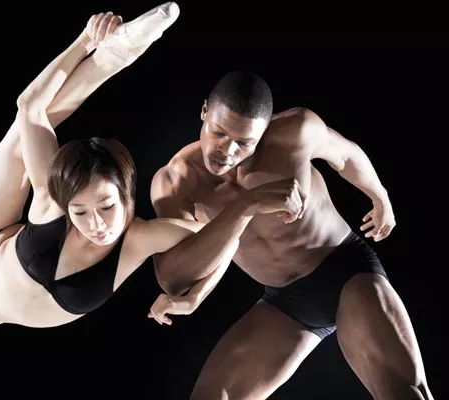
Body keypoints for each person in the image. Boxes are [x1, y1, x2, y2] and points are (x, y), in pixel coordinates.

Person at [0, 4, 273, 399]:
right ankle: (113, 53)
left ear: (127, 197)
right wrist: (84, 41)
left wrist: (195, 297)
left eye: (107, 208)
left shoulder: (140, 239)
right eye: (79, 212)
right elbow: (29, 107)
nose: (96, 224)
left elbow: (223, 239)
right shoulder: (52, 201)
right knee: (21, 138)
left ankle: (114, 53)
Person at [149, 70, 434, 399]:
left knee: (405, 392)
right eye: (219, 133)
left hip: (345, 270)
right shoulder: (177, 182)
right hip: (287, 301)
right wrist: (246, 205)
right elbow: (173, 278)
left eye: (244, 143)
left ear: (263, 133)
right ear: (204, 112)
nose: (227, 150)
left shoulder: (296, 131)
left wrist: (380, 197)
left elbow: (346, 155)